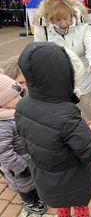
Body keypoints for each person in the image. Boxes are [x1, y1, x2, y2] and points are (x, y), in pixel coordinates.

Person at [15, 42, 91, 217]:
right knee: (80, 209)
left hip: (46, 181)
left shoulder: (22, 105)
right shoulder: (67, 115)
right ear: (62, 77)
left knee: (62, 208)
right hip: (75, 182)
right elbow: (90, 150)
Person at [34, 0, 91, 122]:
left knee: (86, 108)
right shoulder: (42, 26)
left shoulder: (80, 22)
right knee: (65, 112)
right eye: (58, 20)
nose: (63, 23)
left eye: (66, 18)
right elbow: (39, 52)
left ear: (70, 12)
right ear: (50, 18)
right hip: (58, 77)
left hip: (83, 75)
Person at [0, 74, 47, 215]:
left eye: (19, 95)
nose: (20, 98)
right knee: (24, 186)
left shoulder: (13, 114)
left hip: (29, 158)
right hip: (18, 166)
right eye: (14, 97)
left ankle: (37, 195)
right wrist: (21, 168)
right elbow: (3, 153)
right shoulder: (3, 126)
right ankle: (29, 202)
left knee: (33, 181)